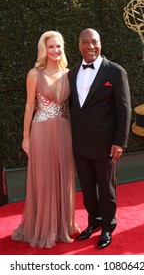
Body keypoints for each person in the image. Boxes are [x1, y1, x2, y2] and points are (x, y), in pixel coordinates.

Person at [11, 30, 79, 248]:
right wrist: (26, 137)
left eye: (58, 46)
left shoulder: (70, 73)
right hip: (40, 131)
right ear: (44, 49)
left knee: (64, 176)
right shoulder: (34, 74)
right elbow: (29, 106)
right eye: (51, 46)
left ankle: (62, 225)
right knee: (44, 177)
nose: (55, 50)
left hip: (64, 130)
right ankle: (44, 227)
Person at [68, 28, 131, 249]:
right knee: (86, 189)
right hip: (80, 144)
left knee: (106, 189)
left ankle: (107, 227)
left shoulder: (115, 72)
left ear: (100, 43)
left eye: (94, 42)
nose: (91, 46)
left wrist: (120, 141)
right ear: (79, 45)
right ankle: (93, 221)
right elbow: (74, 108)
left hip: (106, 145)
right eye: (86, 42)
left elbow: (124, 109)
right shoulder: (72, 73)